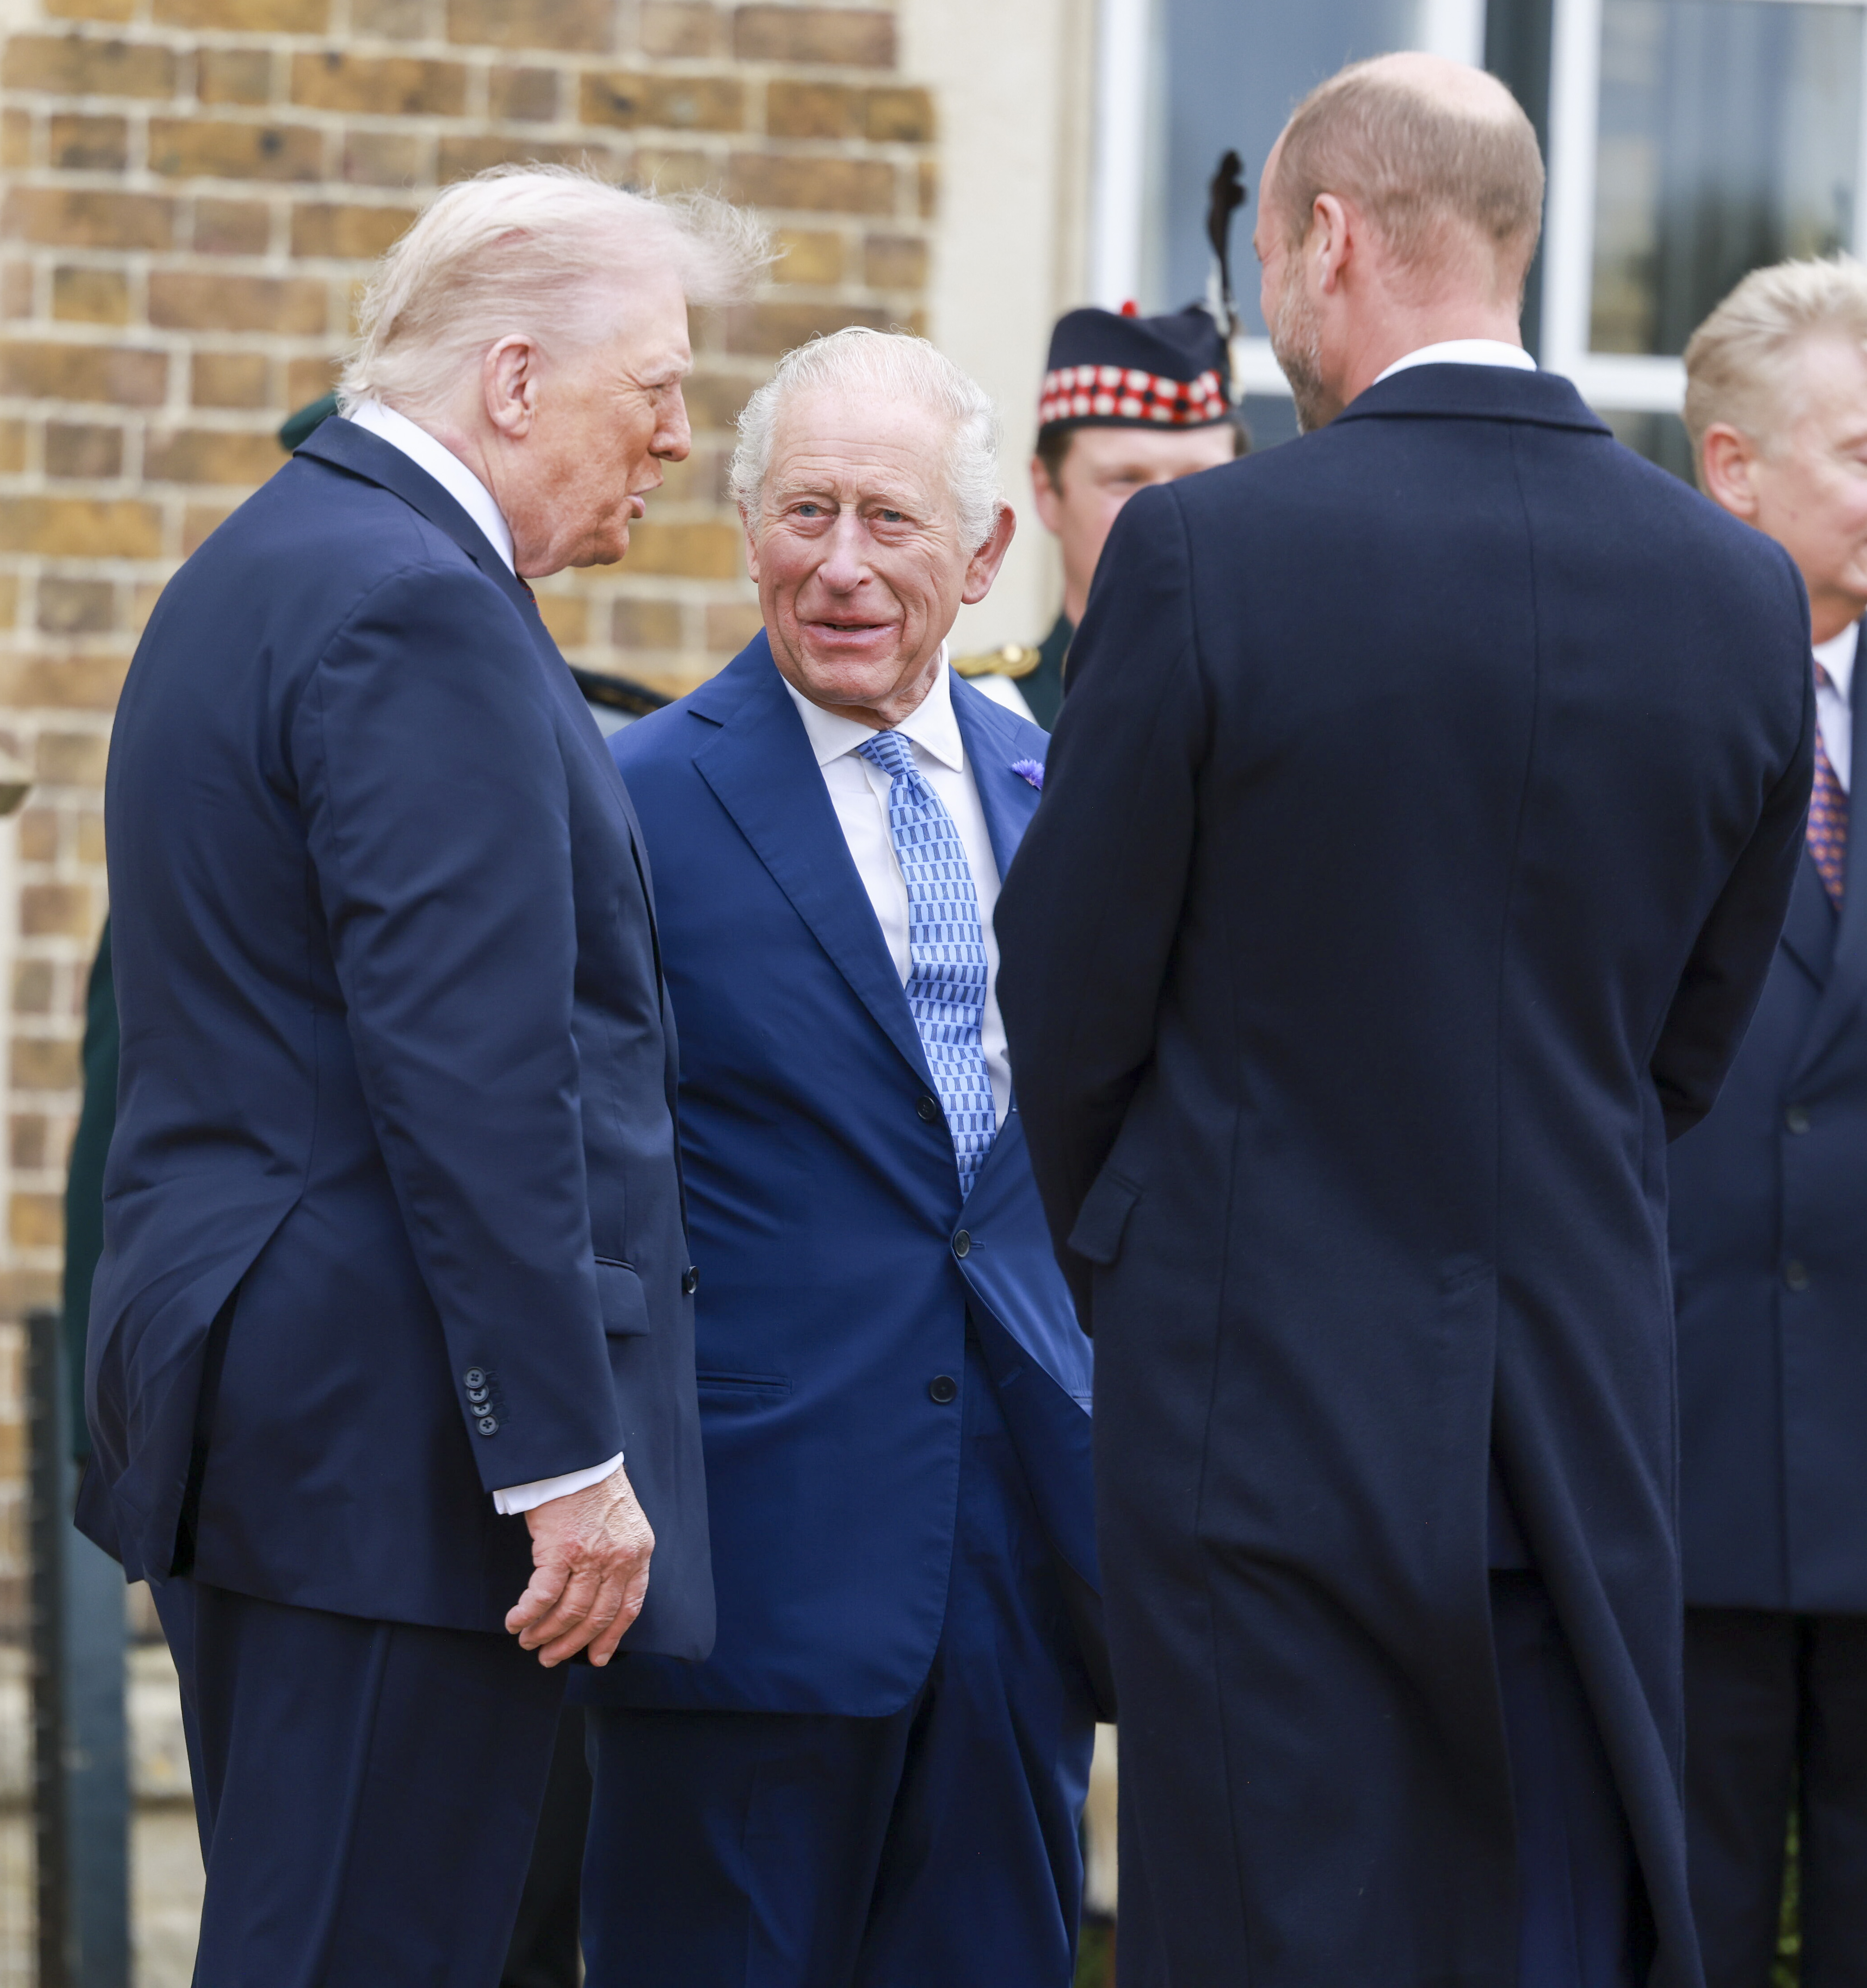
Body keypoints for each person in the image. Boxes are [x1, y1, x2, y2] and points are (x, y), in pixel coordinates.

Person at [996, 52, 1815, 1988]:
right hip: (1576, 1418)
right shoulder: (1732, 596)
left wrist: (1148, 1250)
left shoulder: (1201, 556)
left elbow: (1067, 984)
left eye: (1275, 248)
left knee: (1271, 1934)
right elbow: (1690, 1030)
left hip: (1247, 1415)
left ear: (1325, 239)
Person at [81, 166, 764, 1986]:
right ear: (519, 379)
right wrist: (556, 1455)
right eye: (662, 387)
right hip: (395, 1458)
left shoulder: (276, 557)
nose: (683, 439)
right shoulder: (416, 608)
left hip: (298, 1425)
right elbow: (474, 1074)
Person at [576, 326, 1107, 1987]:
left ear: (987, 551)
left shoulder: (1078, 792)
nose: (844, 563)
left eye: (892, 517)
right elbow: (569, 1169)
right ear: (744, 530)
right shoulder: (628, 798)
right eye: (804, 511)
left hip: (1026, 1560)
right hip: (747, 1565)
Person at [1671, 257, 1867, 1988]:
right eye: (1865, 449)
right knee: (1689, 1929)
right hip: (1676, 1450)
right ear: (1736, 468)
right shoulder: (1616, 704)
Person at [958, 304, 1242, 726]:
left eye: (1199, 479)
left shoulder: (1291, 703)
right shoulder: (980, 720)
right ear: (1047, 492)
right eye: (1126, 480)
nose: (1167, 512)